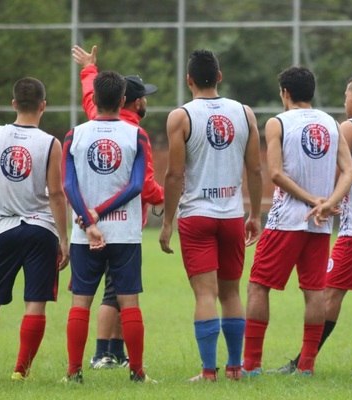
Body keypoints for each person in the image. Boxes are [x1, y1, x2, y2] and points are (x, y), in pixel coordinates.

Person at [271, 73, 352, 376]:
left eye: (345, 95)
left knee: (329, 292)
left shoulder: (349, 127)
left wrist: (326, 201)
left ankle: (303, 361)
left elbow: (334, 169)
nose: (344, 101)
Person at [241, 66, 352, 377]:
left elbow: (276, 173)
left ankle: (250, 366)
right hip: (319, 224)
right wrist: (327, 203)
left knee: (258, 287)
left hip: (286, 220)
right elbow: (350, 172)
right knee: (314, 291)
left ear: (286, 93)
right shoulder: (332, 123)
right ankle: (306, 366)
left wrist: (312, 201)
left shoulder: (277, 123)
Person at [158, 49, 263, 382]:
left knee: (205, 295)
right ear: (219, 77)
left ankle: (208, 372)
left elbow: (174, 175)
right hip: (232, 215)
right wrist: (254, 214)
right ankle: (234, 368)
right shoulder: (244, 112)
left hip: (196, 216)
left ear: (188, 80)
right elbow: (256, 168)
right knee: (231, 293)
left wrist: (167, 221)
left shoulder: (181, 116)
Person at [72, 44, 164, 370]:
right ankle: (104, 354)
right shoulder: (135, 134)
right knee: (118, 294)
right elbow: (146, 185)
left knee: (103, 293)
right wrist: (168, 198)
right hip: (123, 225)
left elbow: (89, 96)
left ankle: (113, 353)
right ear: (133, 101)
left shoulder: (89, 122)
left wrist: (89, 70)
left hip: (86, 223)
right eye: (145, 96)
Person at [0, 78, 70, 381]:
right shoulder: (50, 143)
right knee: (36, 300)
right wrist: (64, 238)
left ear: (13, 104)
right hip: (41, 230)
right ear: (43, 106)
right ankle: (21, 372)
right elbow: (57, 194)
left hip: (3, 229)